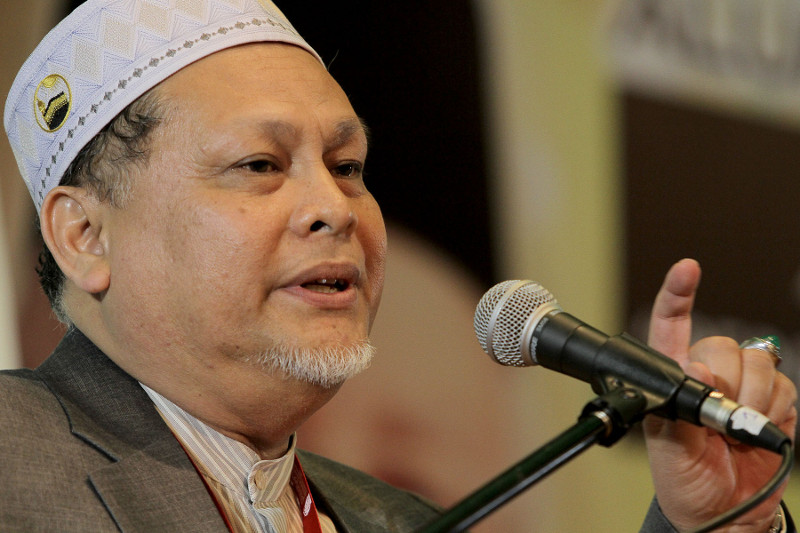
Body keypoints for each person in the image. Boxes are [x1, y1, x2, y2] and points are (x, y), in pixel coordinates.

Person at [1, 1, 795, 531]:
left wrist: (709, 526)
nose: (336, 207)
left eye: (347, 166)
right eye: (259, 164)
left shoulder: (396, 520)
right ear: (84, 235)